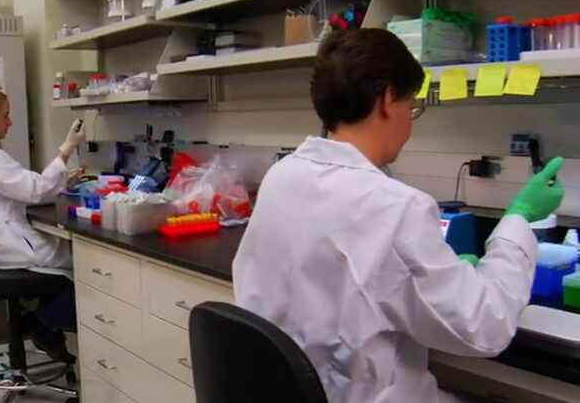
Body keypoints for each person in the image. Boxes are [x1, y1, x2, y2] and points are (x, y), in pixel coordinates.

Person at [232, 28, 565, 403]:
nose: (410, 122)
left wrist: (446, 272)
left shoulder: (281, 176)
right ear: (389, 100)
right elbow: (486, 326)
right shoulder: (394, 206)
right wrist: (519, 218)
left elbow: (350, 274)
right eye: (412, 106)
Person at [0, 88, 85, 362]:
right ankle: (41, 323)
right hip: (9, 247)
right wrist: (67, 148)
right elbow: (34, 189)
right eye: (5, 116)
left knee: (69, 265)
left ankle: (45, 325)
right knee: (86, 269)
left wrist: (62, 182)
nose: (10, 122)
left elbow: (20, 188)